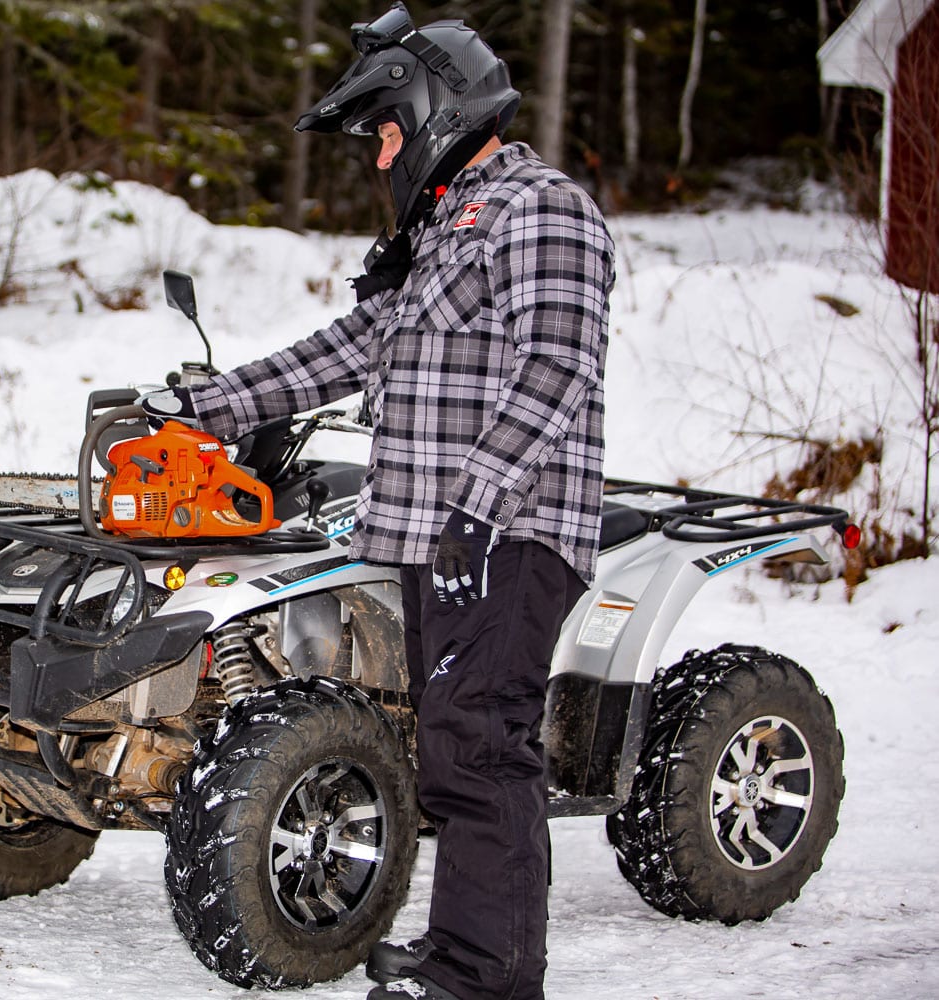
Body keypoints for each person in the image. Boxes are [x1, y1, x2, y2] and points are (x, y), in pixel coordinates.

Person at [141, 4, 614, 998]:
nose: (378, 158)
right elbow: (346, 352)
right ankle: (465, 953)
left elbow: (559, 365)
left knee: (483, 744)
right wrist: (209, 404)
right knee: (455, 749)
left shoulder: (540, 206)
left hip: (508, 534)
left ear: (435, 108)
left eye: (384, 134)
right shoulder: (445, 232)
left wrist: (477, 508)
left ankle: (490, 976)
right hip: (448, 539)